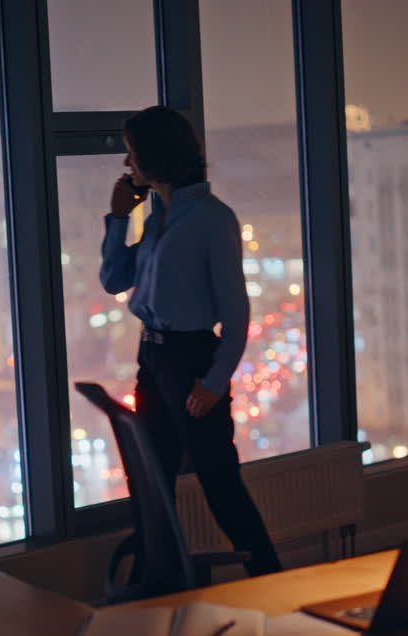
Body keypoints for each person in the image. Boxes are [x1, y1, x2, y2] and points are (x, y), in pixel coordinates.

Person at [98, 106, 282, 577]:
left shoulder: (212, 219)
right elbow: (114, 279)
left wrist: (215, 380)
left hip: (189, 359)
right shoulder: (158, 218)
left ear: (156, 157)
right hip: (152, 357)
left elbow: (237, 313)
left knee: (219, 482)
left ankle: (271, 577)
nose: (127, 165)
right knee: (150, 480)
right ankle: (158, 578)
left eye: (132, 154)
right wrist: (119, 218)